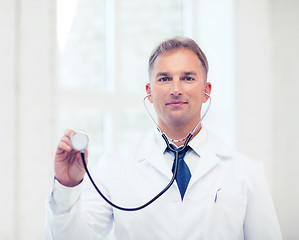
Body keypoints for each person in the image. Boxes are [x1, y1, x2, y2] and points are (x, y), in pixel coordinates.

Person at [45, 37, 282, 239]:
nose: (175, 89)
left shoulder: (246, 172)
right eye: (164, 78)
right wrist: (67, 186)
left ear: (206, 90)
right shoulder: (114, 168)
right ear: (149, 92)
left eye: (188, 78)